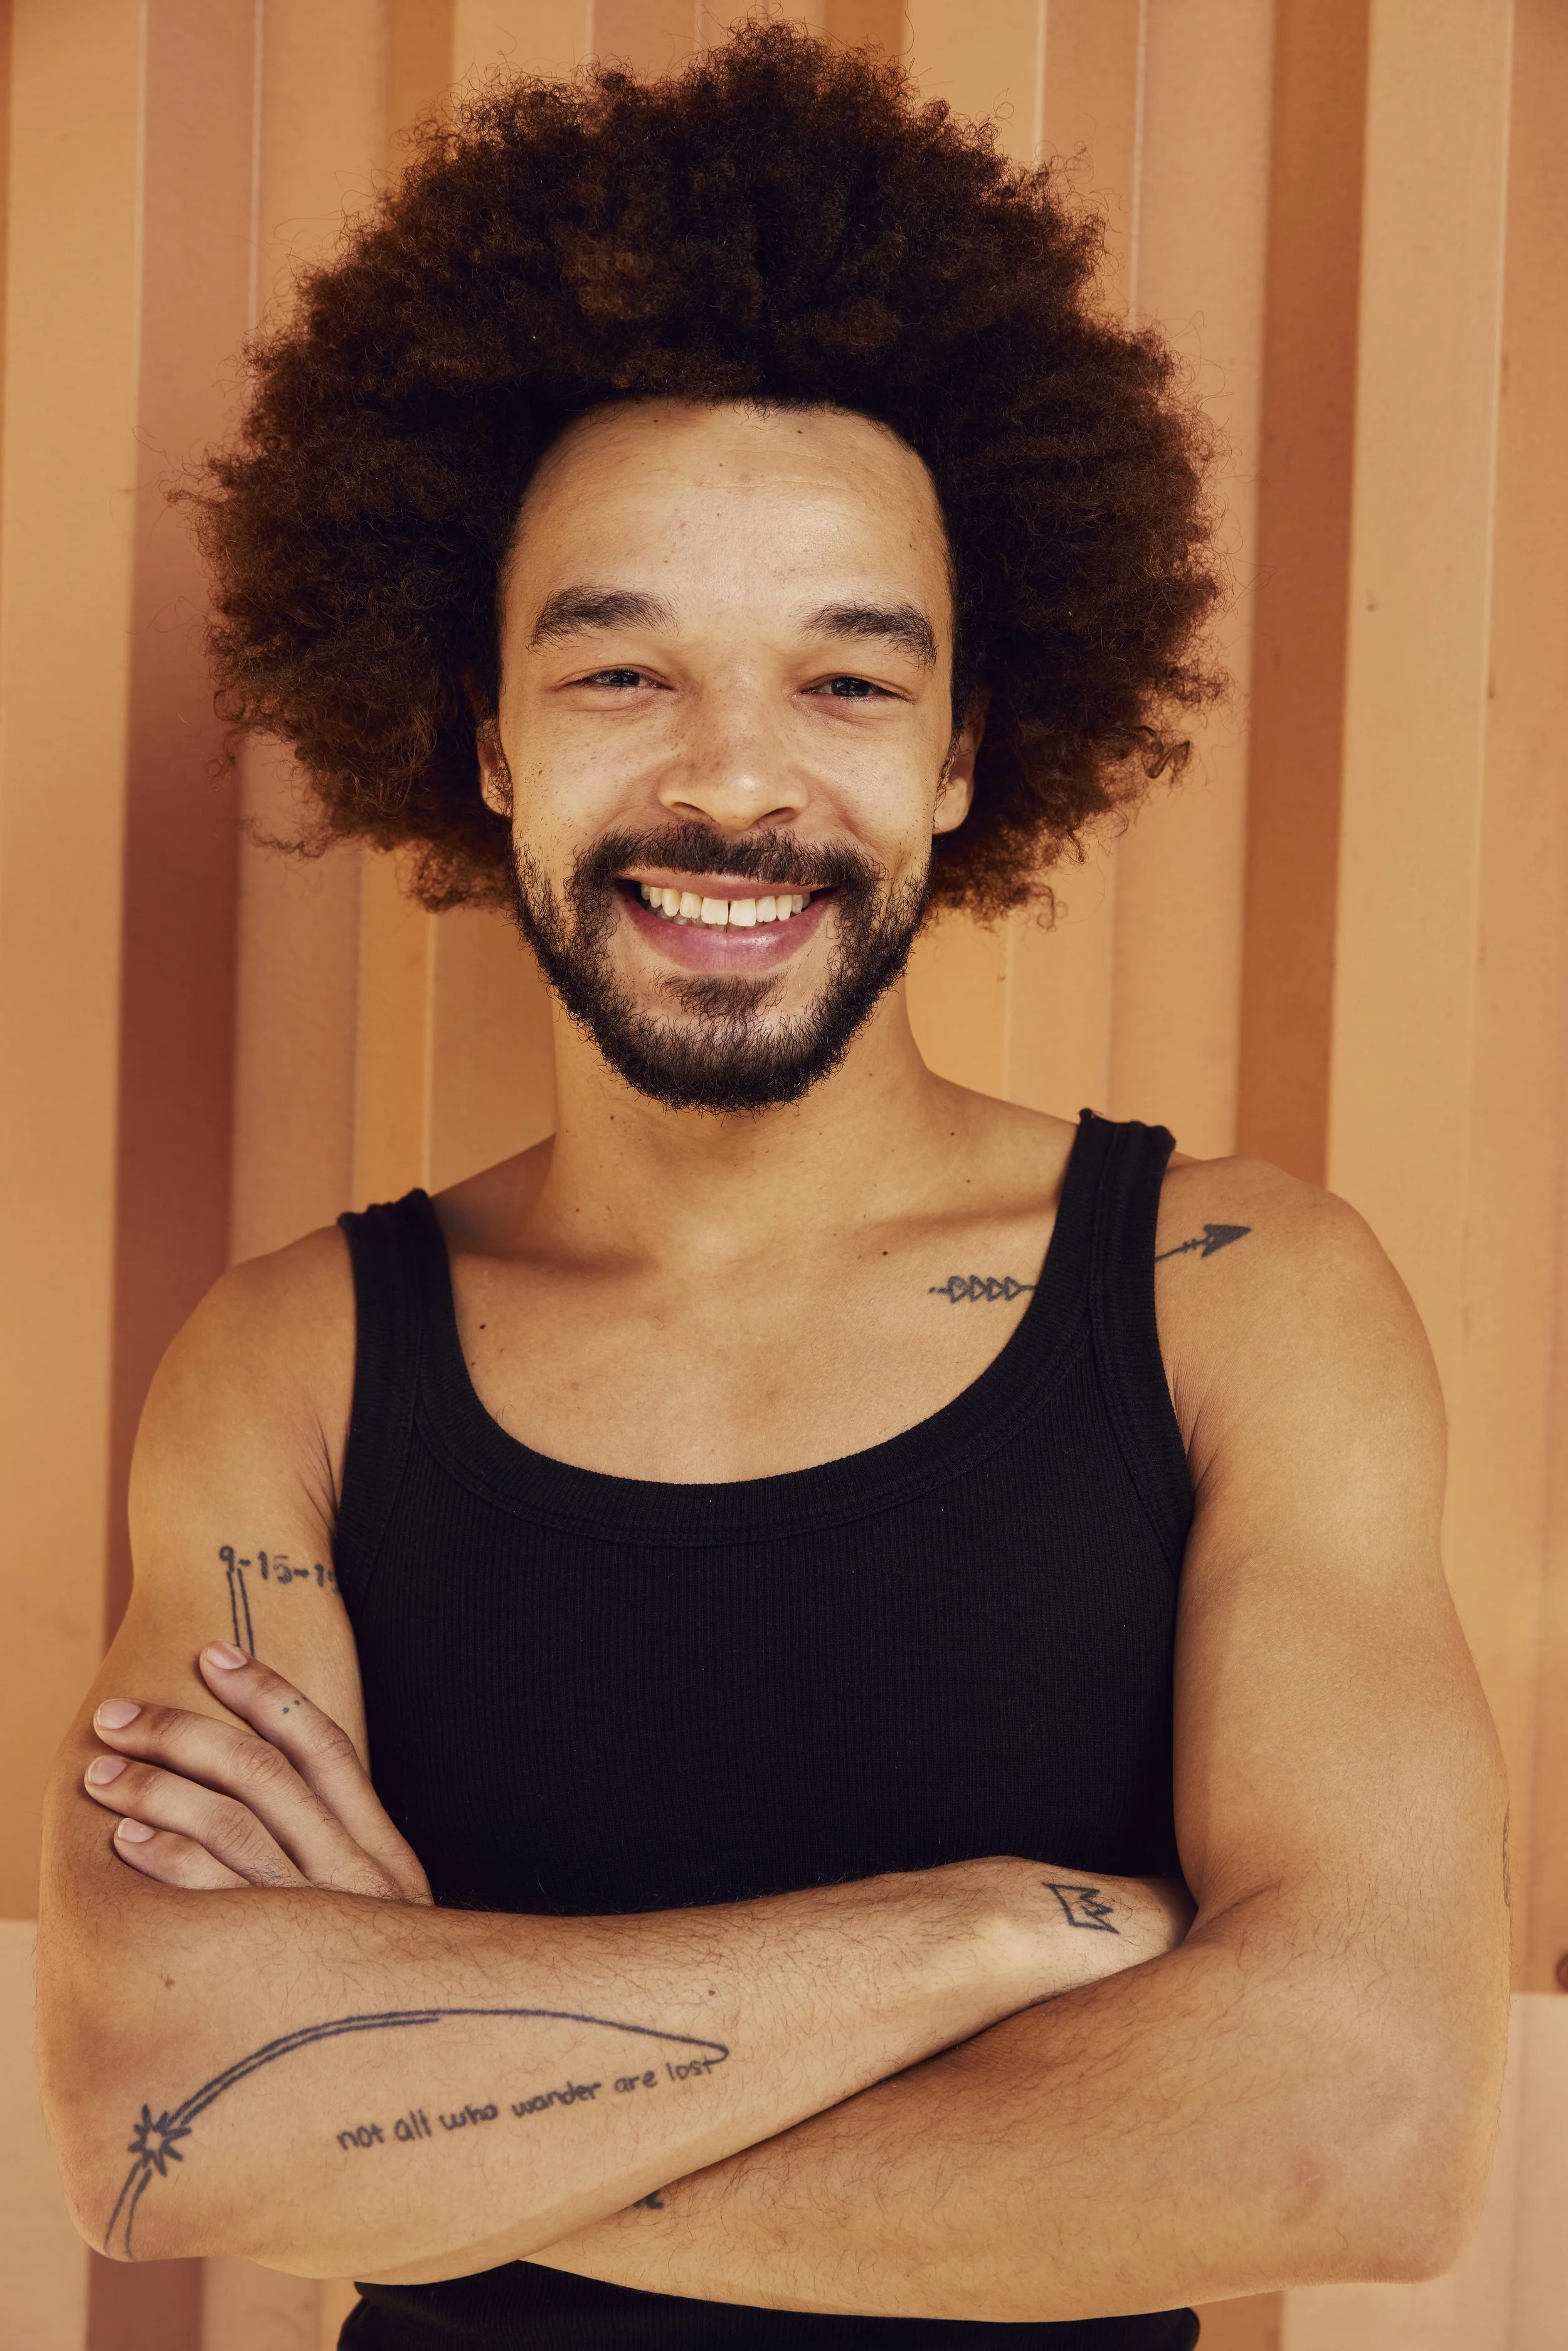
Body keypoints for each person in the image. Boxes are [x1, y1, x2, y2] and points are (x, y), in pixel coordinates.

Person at [38, 26, 1508, 2348]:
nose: (734, 784)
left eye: (844, 681)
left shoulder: (1239, 1298)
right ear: (493, 738)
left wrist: (425, 2107)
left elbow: (1359, 2136)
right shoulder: (294, 1360)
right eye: (622, 667)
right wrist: (979, 1936)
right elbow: (154, 2116)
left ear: (958, 761)